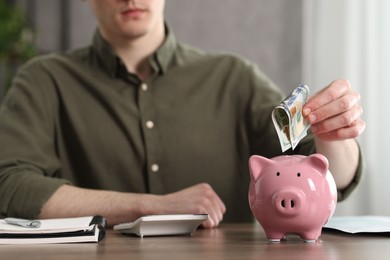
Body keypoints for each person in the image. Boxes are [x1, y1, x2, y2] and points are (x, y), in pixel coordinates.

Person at [0, 0, 365, 229]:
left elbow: (326, 178)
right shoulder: (43, 79)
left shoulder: (234, 77)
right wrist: (149, 207)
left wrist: (335, 138)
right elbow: (8, 185)